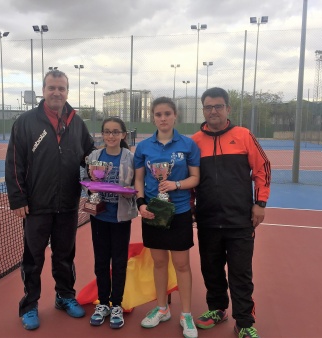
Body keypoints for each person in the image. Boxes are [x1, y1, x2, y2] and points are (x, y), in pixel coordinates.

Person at [5, 69, 95, 330]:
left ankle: (65, 296)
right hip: (36, 205)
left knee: (65, 255)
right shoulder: (25, 122)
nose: (57, 92)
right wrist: (18, 198)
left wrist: (115, 161)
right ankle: (30, 304)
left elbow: (90, 157)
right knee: (33, 259)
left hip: (67, 204)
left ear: (68, 91)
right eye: (52, 88)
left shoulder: (77, 123)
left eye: (62, 88)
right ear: (43, 91)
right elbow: (14, 163)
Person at [191, 87, 271, 338]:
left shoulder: (244, 135)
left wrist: (260, 203)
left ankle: (245, 321)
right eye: (208, 107)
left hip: (240, 220)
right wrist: (191, 207)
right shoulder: (194, 141)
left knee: (240, 272)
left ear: (228, 109)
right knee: (211, 268)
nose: (213, 111)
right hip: (208, 219)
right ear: (203, 110)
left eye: (218, 106)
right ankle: (217, 309)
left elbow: (263, 169)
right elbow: (188, 177)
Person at [134, 97, 200, 338]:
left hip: (180, 212)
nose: (163, 118)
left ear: (175, 116)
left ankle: (186, 314)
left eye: (167, 113)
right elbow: (139, 179)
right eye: (158, 114)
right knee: (159, 263)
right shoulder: (143, 147)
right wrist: (140, 204)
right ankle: (162, 308)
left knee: (182, 265)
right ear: (153, 117)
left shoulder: (188, 144)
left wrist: (176, 184)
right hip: (152, 212)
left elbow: (196, 178)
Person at [84, 116, 138, 329]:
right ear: (102, 134)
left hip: (121, 218)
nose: (111, 135)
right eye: (107, 131)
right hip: (99, 217)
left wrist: (130, 194)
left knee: (119, 262)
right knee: (100, 261)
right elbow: (84, 176)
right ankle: (103, 303)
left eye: (116, 132)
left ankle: (117, 304)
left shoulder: (130, 157)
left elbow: (137, 182)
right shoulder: (95, 155)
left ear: (123, 135)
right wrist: (90, 189)